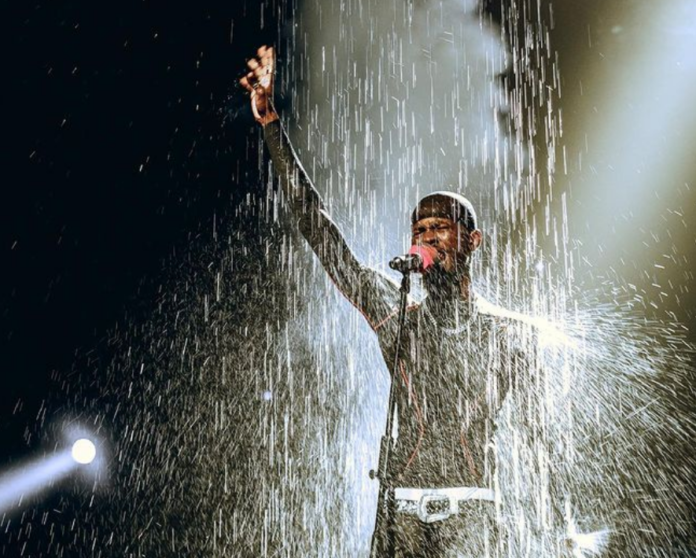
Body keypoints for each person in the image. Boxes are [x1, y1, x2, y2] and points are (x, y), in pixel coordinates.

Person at [239, 45, 565, 558]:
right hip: (400, 516)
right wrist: (272, 125)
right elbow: (318, 230)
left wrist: (558, 524)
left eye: (441, 227)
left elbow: (540, 441)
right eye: (420, 229)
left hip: (474, 516)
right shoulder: (395, 307)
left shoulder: (509, 333)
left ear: (472, 240)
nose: (428, 236)